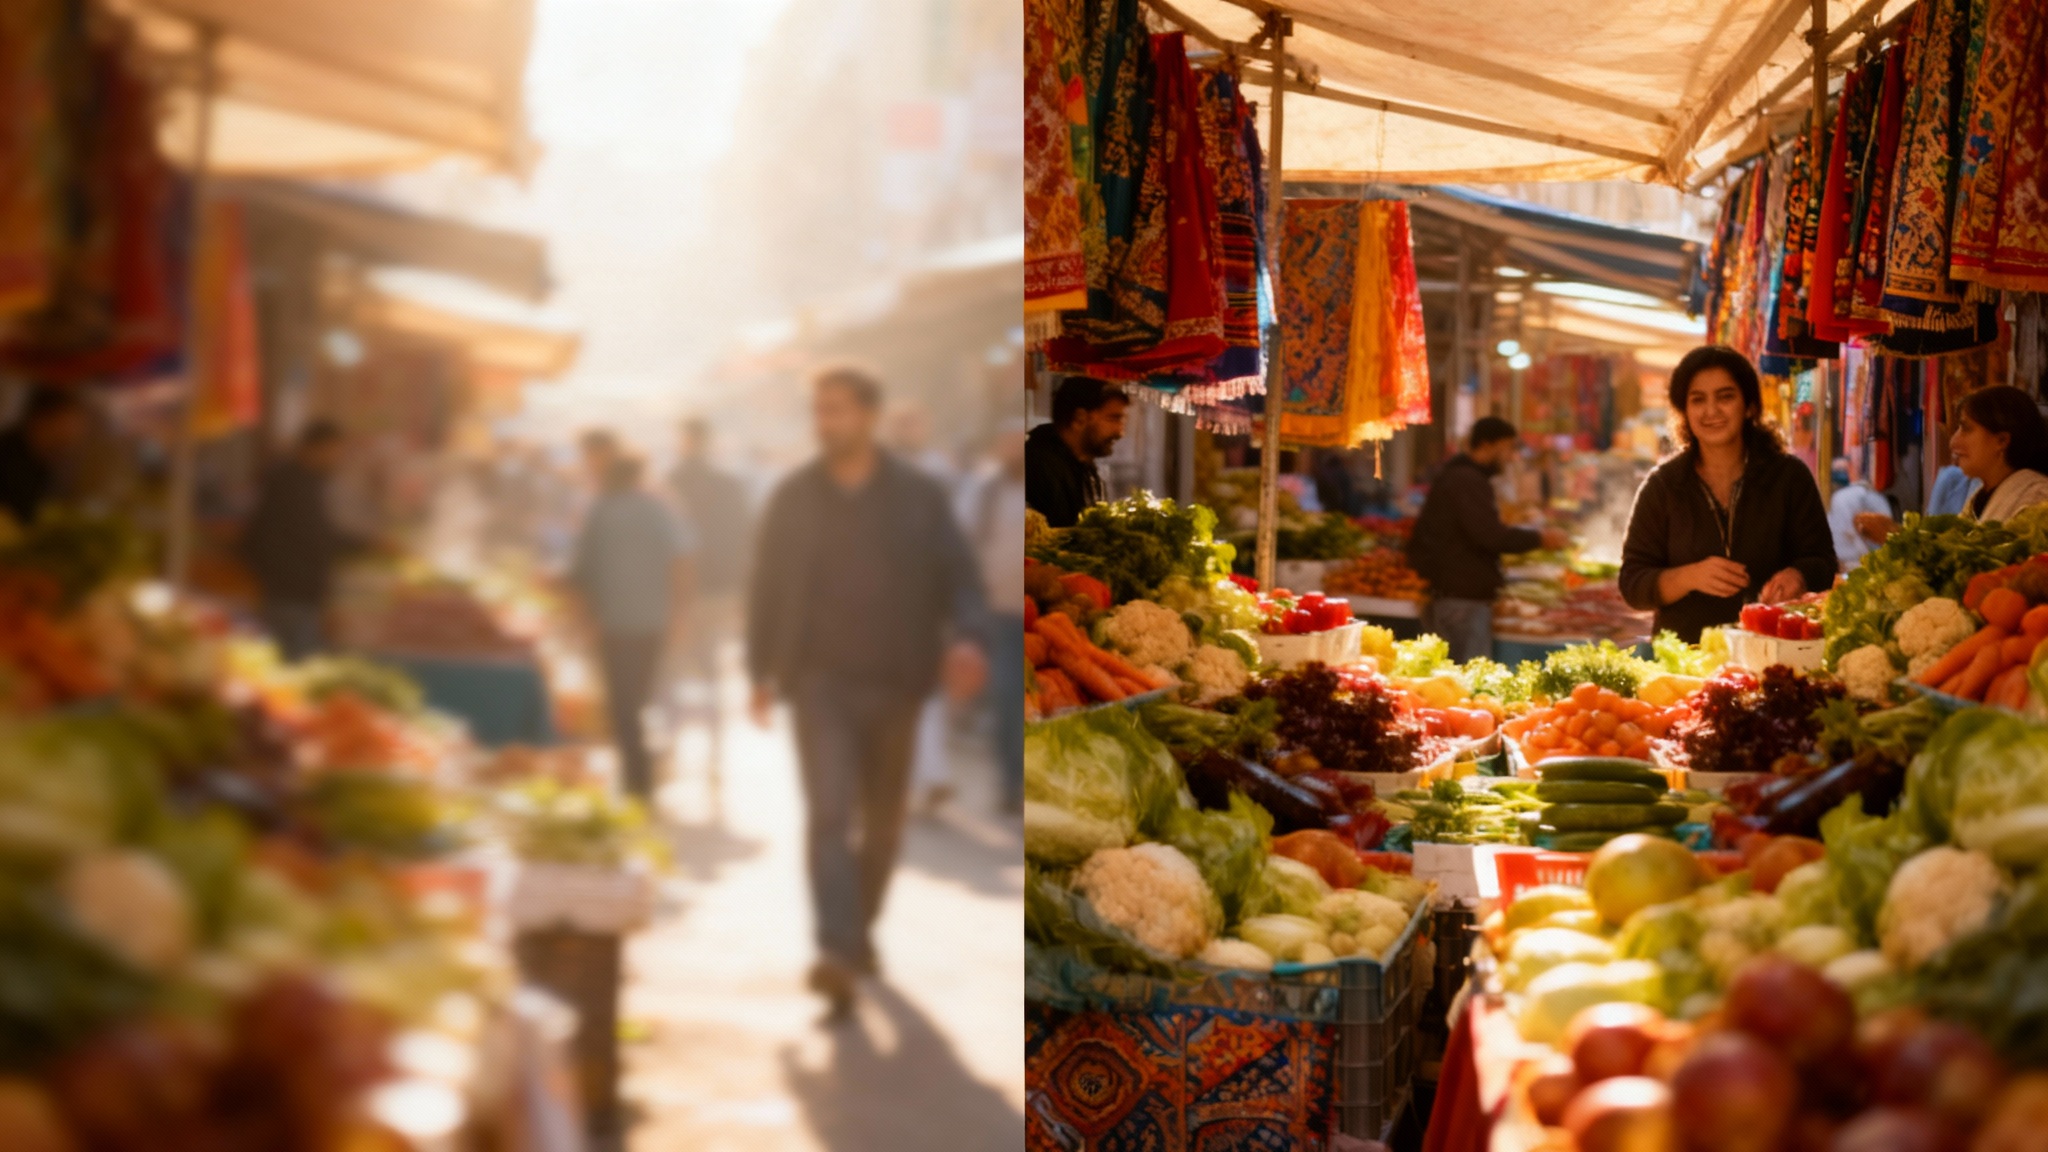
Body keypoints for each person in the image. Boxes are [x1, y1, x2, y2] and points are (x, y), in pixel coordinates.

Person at [747, 366, 988, 1019]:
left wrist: (967, 635)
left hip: (898, 681)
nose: (827, 423)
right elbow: (765, 584)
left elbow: (960, 577)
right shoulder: (794, 496)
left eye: (839, 411)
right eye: (820, 411)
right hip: (819, 682)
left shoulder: (919, 496)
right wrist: (759, 672)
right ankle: (836, 949)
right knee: (828, 817)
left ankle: (856, 933)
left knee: (881, 829)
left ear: (870, 416)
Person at [1619, 346, 1836, 642]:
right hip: (1684, 663)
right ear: (1685, 411)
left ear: (1749, 406)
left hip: (1775, 654)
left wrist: (1798, 575)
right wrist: (1689, 576)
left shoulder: (1789, 477)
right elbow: (1632, 584)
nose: (1711, 411)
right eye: (1698, 400)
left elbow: (1822, 562)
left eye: (1725, 397)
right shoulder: (1663, 487)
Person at [569, 433, 696, 800]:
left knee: (624, 707)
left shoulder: (600, 510)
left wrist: (584, 621)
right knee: (638, 702)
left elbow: (581, 575)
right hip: (652, 622)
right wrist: (680, 614)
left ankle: (638, 781)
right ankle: (641, 776)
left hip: (614, 623)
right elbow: (682, 561)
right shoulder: (659, 508)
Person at [1407, 418, 1568, 662]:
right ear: (1486, 445)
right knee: (1468, 676)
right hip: (1461, 597)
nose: (1511, 456)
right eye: (1506, 449)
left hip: (1460, 594)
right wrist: (1540, 538)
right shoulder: (1464, 480)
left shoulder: (1463, 477)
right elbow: (1491, 536)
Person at [243, 420, 361, 660]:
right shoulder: (293, 483)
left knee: (286, 657)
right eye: (334, 451)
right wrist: (367, 544)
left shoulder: (295, 479)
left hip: (287, 588)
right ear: (315, 448)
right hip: (291, 589)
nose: (337, 458)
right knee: (294, 660)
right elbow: (315, 535)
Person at [962, 420, 1027, 814]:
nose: (1011, 451)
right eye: (1005, 444)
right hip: (999, 616)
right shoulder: (984, 493)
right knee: (1005, 698)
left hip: (1034, 616)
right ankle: (1010, 782)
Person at [1026, 375, 1127, 527]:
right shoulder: (1037, 467)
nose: (1120, 432)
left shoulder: (1085, 466)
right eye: (1113, 419)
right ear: (1080, 419)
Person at [0, 387, 90, 529]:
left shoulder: (42, 462)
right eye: (63, 433)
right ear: (41, 420)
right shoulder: (7, 455)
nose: (68, 442)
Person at [1828, 457, 1894, 572]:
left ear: (1852, 468)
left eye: (1842, 468)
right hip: (1861, 563)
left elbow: (1884, 530)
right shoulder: (1874, 496)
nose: (1839, 473)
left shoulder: (1841, 498)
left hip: (1855, 564)